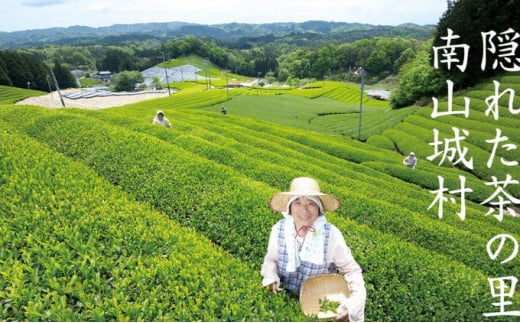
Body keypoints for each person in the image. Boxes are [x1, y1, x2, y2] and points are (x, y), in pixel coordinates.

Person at [261, 177, 366, 322]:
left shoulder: (331, 235)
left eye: (311, 203)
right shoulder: (279, 229)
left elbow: (351, 271)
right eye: (297, 203)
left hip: (319, 306)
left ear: (319, 209)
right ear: (290, 208)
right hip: (285, 299)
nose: (304, 210)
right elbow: (271, 261)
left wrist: (353, 305)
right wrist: (270, 277)